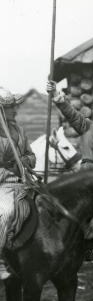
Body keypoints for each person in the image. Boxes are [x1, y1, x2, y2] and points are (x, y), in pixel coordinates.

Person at [0, 87, 36, 279]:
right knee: (6, 211)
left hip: (24, 180)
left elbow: (31, 155)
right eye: (11, 107)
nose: (15, 110)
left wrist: (25, 162)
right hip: (3, 183)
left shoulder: (19, 130)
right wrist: (7, 169)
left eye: (14, 106)